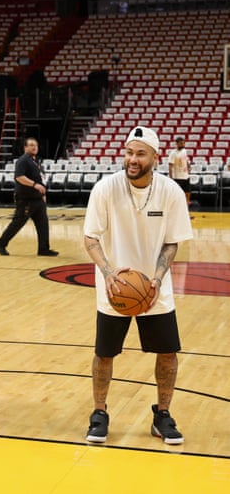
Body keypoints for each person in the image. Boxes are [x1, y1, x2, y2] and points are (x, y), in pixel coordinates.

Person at [83, 126, 193, 444]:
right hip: (115, 287)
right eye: (129, 152)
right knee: (104, 354)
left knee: (168, 353)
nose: (132, 159)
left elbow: (172, 243)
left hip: (156, 288)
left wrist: (157, 278)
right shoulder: (105, 189)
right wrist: (108, 272)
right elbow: (90, 237)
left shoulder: (170, 191)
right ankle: (99, 412)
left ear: (155, 157)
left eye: (140, 153)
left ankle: (162, 415)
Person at [0, 137, 58, 257]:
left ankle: (43, 249)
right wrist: (35, 185)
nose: (34, 147)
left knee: (43, 224)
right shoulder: (22, 161)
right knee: (18, 222)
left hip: (38, 199)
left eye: (36, 145)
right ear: (25, 147)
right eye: (31, 145)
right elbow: (19, 177)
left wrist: (43, 194)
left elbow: (40, 179)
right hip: (26, 199)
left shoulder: (35, 161)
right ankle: (1, 243)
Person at [168, 136, 191, 205]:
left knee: (187, 193)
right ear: (177, 144)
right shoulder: (173, 153)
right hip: (177, 177)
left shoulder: (184, 151)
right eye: (181, 143)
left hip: (186, 176)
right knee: (178, 195)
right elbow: (170, 166)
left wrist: (189, 166)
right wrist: (171, 178)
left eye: (183, 143)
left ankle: (187, 212)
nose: (183, 145)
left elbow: (186, 160)